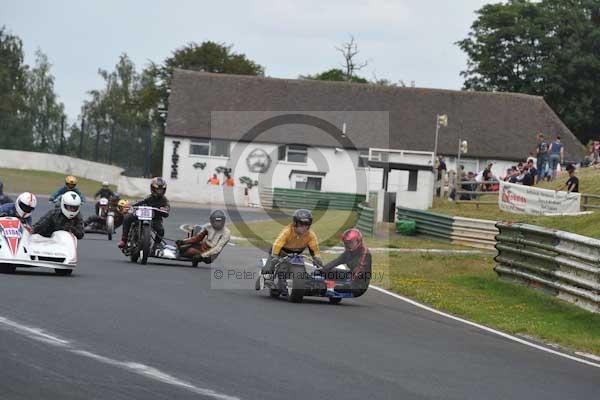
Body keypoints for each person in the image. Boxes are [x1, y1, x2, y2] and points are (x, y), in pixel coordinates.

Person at [261, 209, 322, 275]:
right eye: (301, 224)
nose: (304, 227)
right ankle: (264, 280)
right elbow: (277, 245)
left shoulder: (311, 235)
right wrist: (275, 256)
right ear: (295, 223)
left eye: (307, 224)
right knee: (268, 270)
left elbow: (314, 249)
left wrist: (317, 258)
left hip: (295, 255)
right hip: (280, 253)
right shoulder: (287, 231)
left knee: (303, 274)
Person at [119, 177, 170, 249]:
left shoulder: (165, 200)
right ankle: (124, 240)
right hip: (141, 215)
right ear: (153, 189)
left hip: (155, 219)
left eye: (161, 190)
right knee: (127, 217)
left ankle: (156, 245)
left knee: (161, 230)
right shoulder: (148, 197)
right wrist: (131, 205)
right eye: (158, 189)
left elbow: (167, 210)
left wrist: (165, 209)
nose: (159, 191)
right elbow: (139, 202)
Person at [322, 228, 372, 298]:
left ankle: (330, 288)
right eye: (346, 243)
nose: (348, 245)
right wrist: (322, 270)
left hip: (358, 286)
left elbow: (358, 272)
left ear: (358, 241)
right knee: (327, 272)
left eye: (351, 242)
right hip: (350, 277)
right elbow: (336, 261)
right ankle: (329, 287)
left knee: (327, 286)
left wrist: (336, 285)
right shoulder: (349, 252)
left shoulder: (365, 254)